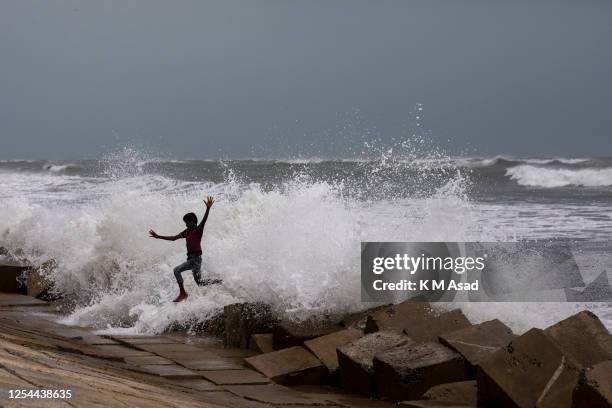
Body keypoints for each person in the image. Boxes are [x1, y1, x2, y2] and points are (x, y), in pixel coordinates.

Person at [149, 196, 219, 302]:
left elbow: (204, 220)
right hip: (192, 259)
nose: (185, 224)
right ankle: (219, 281)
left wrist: (208, 208)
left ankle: (183, 293)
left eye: (187, 222)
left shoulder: (198, 229)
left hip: (195, 259)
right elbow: (173, 238)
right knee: (200, 283)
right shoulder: (187, 232)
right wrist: (158, 237)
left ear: (193, 222)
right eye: (185, 222)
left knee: (176, 270)